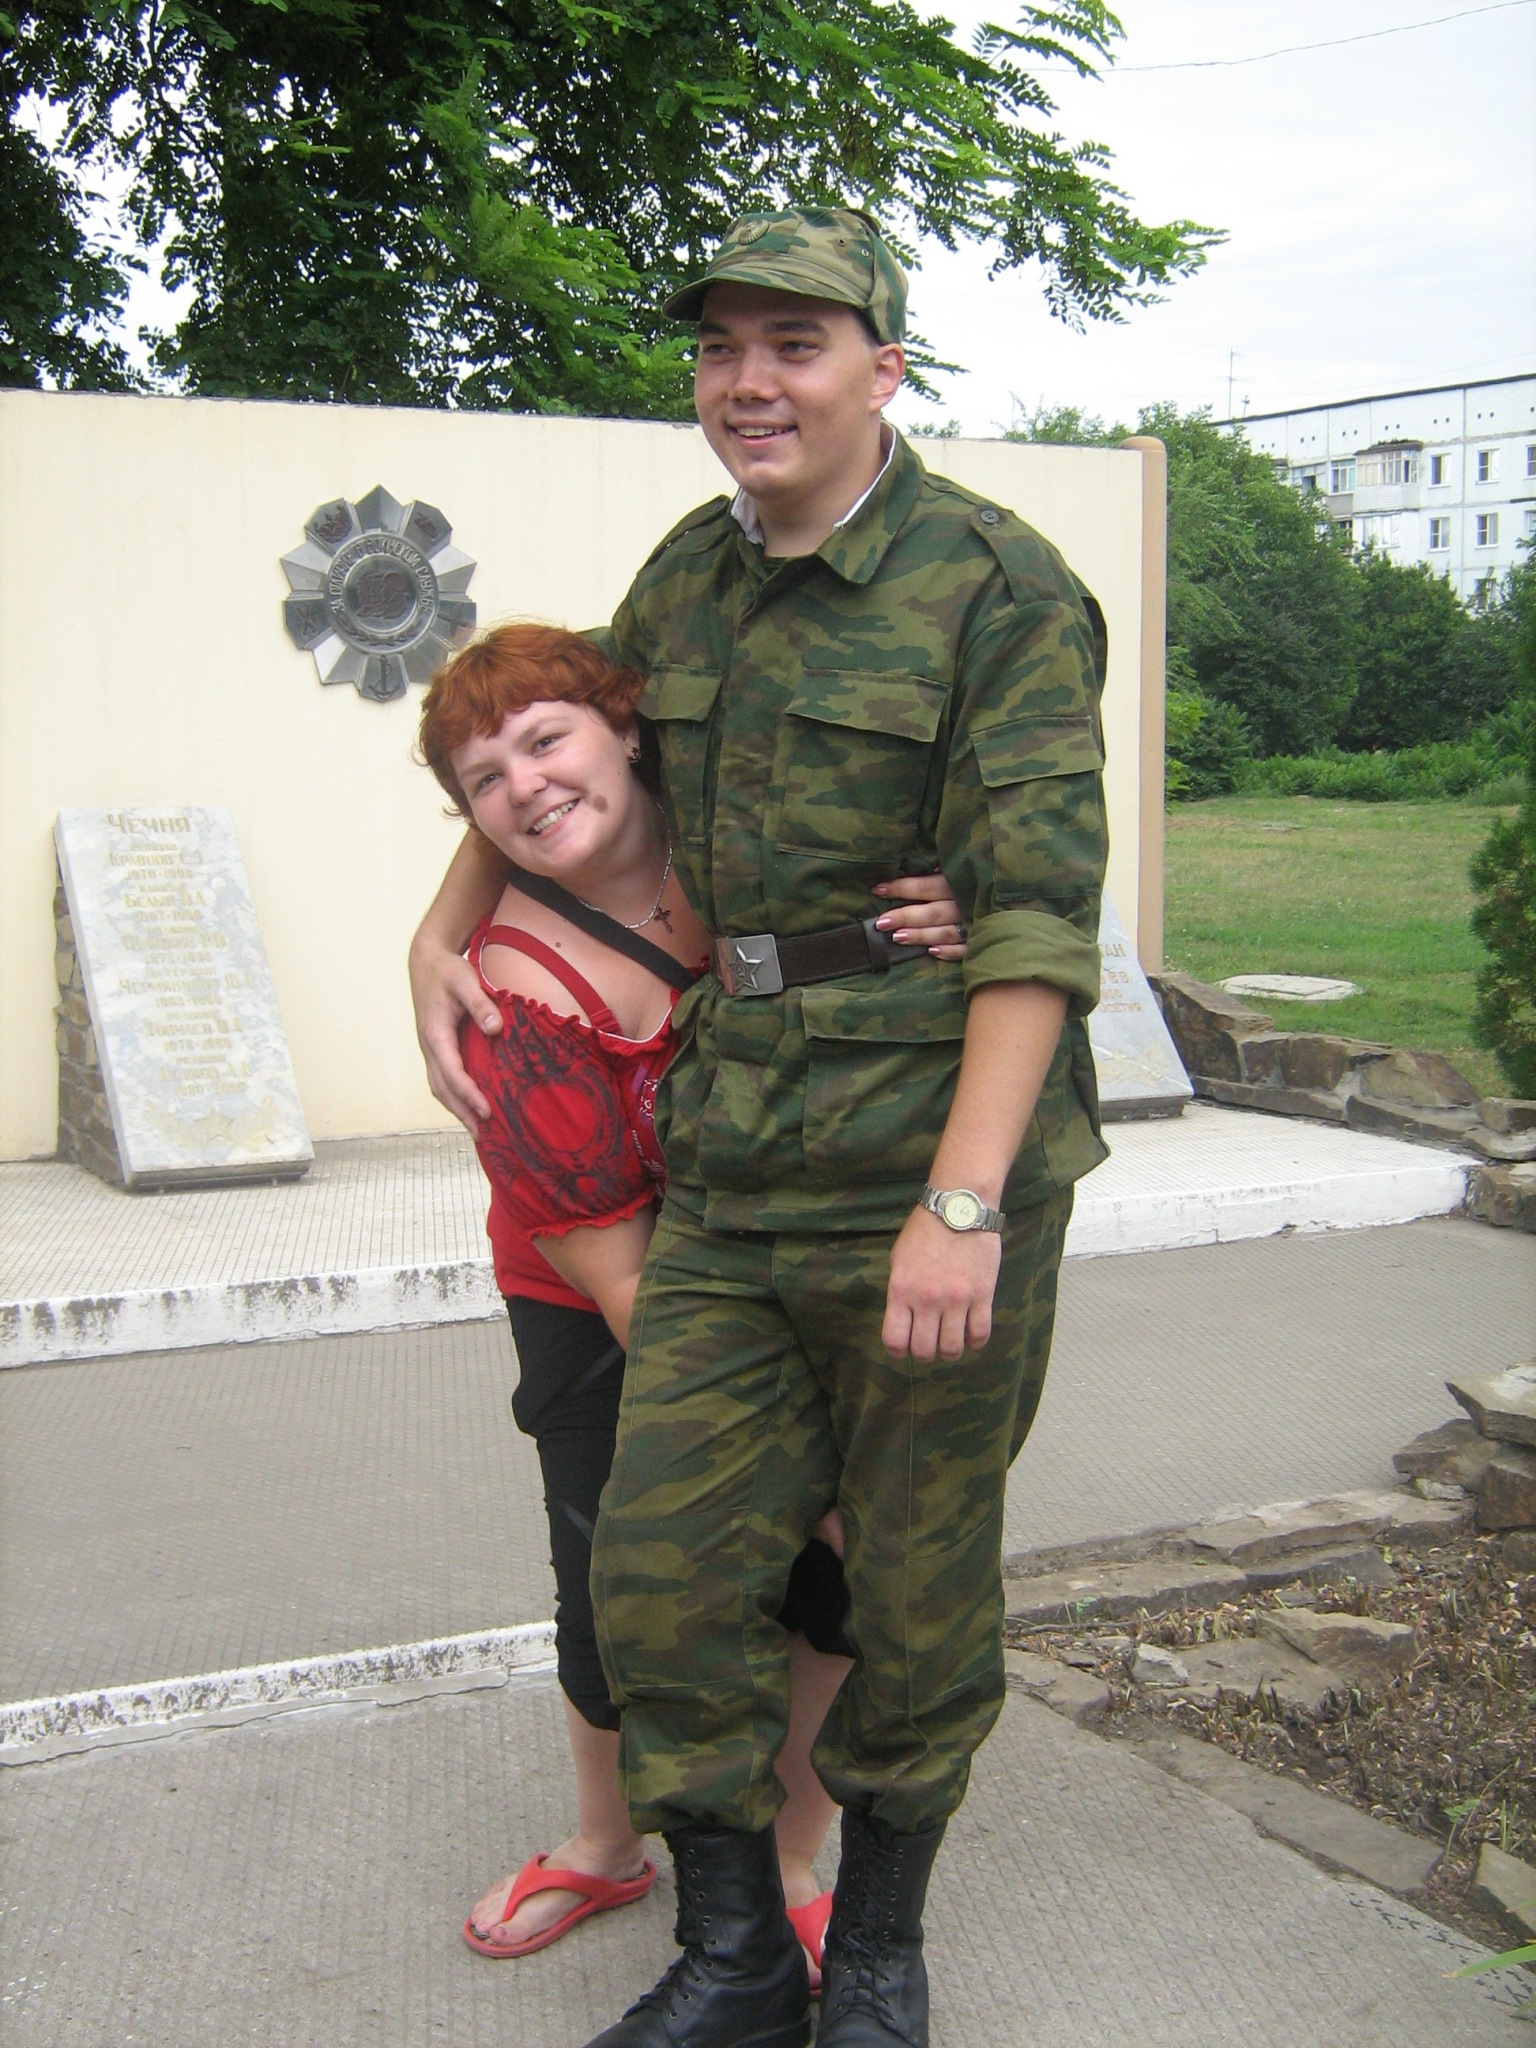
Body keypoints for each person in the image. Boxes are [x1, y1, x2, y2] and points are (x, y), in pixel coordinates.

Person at [410, 206, 1107, 2048]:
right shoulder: (690, 577)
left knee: (911, 1581)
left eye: (795, 343)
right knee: (659, 1567)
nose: (750, 381)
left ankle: (872, 1960)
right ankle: (734, 1960)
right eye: (722, 347)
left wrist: (965, 1202)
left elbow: (1040, 921)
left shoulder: (998, 586)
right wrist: (437, 924)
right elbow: (552, 740)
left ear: (885, 366)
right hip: (733, 1154)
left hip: (922, 1156)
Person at [412, 622, 963, 1983]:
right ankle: (607, 1843)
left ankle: (792, 1860)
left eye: (547, 741)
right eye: (485, 780)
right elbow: (624, 1282)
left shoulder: (737, 841)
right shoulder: (511, 995)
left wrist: (955, 908)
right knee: (620, 1578)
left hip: (804, 1250)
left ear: (630, 731)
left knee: (836, 1577)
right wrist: (787, 1461)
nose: (526, 786)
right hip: (602, 1291)